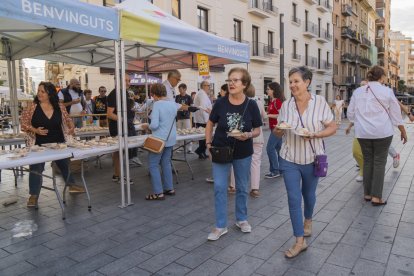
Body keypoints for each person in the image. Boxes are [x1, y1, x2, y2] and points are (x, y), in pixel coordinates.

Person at [274, 66, 337, 258]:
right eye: (290, 81)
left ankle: (308, 219)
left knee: (308, 194)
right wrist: (278, 130)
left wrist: (316, 134)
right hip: (289, 158)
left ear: (307, 82)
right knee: (294, 198)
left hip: (312, 158)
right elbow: (280, 130)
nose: (292, 85)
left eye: (296, 81)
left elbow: (332, 127)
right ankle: (299, 240)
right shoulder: (286, 105)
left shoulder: (320, 102)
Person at [205, 67, 262, 241]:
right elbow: (210, 124)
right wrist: (208, 143)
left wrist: (249, 135)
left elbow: (258, 129)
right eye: (230, 80)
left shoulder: (251, 104)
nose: (231, 83)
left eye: (235, 80)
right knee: (220, 187)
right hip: (221, 149)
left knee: (243, 187)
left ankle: (241, 219)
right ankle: (220, 225)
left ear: (244, 84)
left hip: (243, 151)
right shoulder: (221, 103)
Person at [348, 65, 407, 206]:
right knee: (379, 163)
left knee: (367, 161)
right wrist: (403, 131)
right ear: (381, 77)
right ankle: (377, 197)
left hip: (362, 134)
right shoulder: (386, 91)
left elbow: (350, 114)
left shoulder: (358, 92)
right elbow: (395, 114)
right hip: (382, 133)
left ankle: (367, 194)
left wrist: (361, 122)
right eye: (385, 76)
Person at [21, 82, 85, 207]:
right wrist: (35, 130)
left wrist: (71, 126)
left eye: (42, 91)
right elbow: (23, 124)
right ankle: (33, 195)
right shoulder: (32, 106)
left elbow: (67, 119)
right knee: (36, 168)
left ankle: (71, 185)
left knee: (64, 164)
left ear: (50, 94)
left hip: (58, 142)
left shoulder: (59, 106)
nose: (39, 93)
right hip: (38, 144)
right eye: (38, 91)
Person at [229, 84, 267, 197]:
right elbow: (264, 117)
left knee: (235, 160)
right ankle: (255, 189)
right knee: (255, 163)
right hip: (257, 136)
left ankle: (232, 185)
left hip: (241, 136)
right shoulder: (259, 102)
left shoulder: (238, 103)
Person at [141, 84, 177, 200]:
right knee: (166, 163)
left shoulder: (157, 105)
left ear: (154, 94)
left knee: (153, 165)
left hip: (159, 139)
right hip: (170, 138)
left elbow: (155, 125)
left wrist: (147, 125)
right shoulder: (173, 104)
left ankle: (158, 192)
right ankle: (169, 188)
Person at [107, 74, 137, 184]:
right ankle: (120, 176)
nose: (129, 82)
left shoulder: (124, 92)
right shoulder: (114, 93)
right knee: (120, 152)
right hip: (118, 128)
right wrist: (125, 119)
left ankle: (117, 175)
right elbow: (109, 114)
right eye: (126, 80)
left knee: (119, 152)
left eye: (129, 80)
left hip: (123, 126)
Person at [265, 82, 284, 179]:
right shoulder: (272, 101)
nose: (267, 90)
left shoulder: (278, 102)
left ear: (274, 90)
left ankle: (275, 170)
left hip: (278, 128)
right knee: (278, 149)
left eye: (268, 89)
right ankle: (280, 170)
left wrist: (267, 115)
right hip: (274, 128)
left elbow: (281, 116)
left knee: (269, 148)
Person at [194, 81, 213, 159]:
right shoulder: (202, 94)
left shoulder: (202, 93)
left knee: (203, 138)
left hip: (201, 119)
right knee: (205, 137)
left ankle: (202, 152)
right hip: (203, 119)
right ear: (204, 86)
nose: (209, 87)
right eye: (208, 85)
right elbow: (203, 108)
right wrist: (207, 120)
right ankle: (200, 151)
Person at [175, 83, 194, 153]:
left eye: (181, 89)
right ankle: (181, 147)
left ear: (185, 89)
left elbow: (191, 107)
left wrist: (186, 107)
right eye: (179, 89)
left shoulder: (189, 97)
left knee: (188, 132)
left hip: (186, 117)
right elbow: (175, 106)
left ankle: (189, 148)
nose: (180, 91)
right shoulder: (177, 97)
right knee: (179, 132)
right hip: (179, 117)